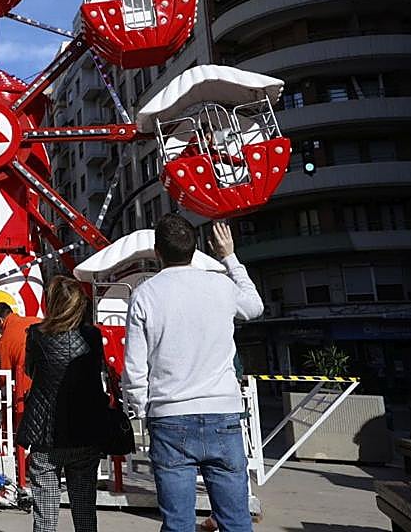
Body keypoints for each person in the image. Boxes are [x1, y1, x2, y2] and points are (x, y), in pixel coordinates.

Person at [123, 216, 264, 532]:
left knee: (177, 523)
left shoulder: (145, 294)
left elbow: (134, 366)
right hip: (222, 413)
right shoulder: (221, 284)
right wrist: (229, 257)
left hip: (170, 416)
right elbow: (255, 307)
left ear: (157, 252)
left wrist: (143, 409)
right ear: (196, 247)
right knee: (236, 520)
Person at [16, 275, 111, 532]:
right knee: (84, 513)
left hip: (46, 431)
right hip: (84, 429)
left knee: (45, 517)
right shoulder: (92, 335)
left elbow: (31, 370)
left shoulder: (37, 334)